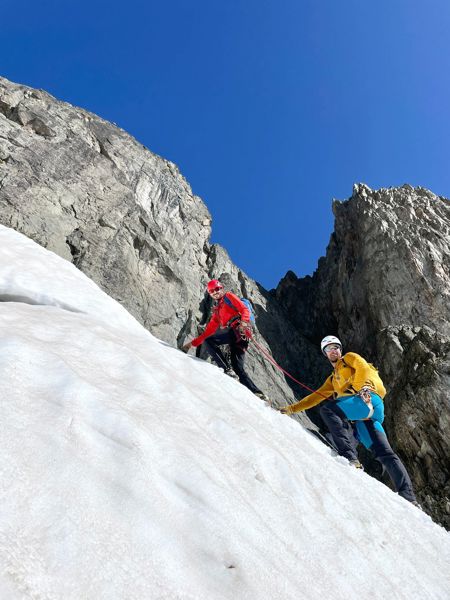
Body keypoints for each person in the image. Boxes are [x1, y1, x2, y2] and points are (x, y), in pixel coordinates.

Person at [280, 335, 418, 505]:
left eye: (336, 347)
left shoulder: (349, 358)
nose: (334, 350)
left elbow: (363, 368)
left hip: (367, 398)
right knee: (385, 453)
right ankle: (409, 496)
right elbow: (316, 397)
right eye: (329, 349)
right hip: (366, 416)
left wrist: (356, 388)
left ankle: (350, 457)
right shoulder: (332, 379)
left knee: (330, 410)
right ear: (325, 353)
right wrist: (292, 408)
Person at [183, 279, 267, 400]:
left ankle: (227, 369)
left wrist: (244, 322)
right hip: (239, 336)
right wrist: (193, 343)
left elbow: (244, 309)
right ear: (210, 294)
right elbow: (208, 332)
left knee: (211, 342)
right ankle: (258, 394)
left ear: (221, 288)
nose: (215, 292)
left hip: (238, 329)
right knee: (238, 368)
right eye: (212, 291)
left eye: (217, 289)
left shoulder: (229, 296)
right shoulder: (217, 312)